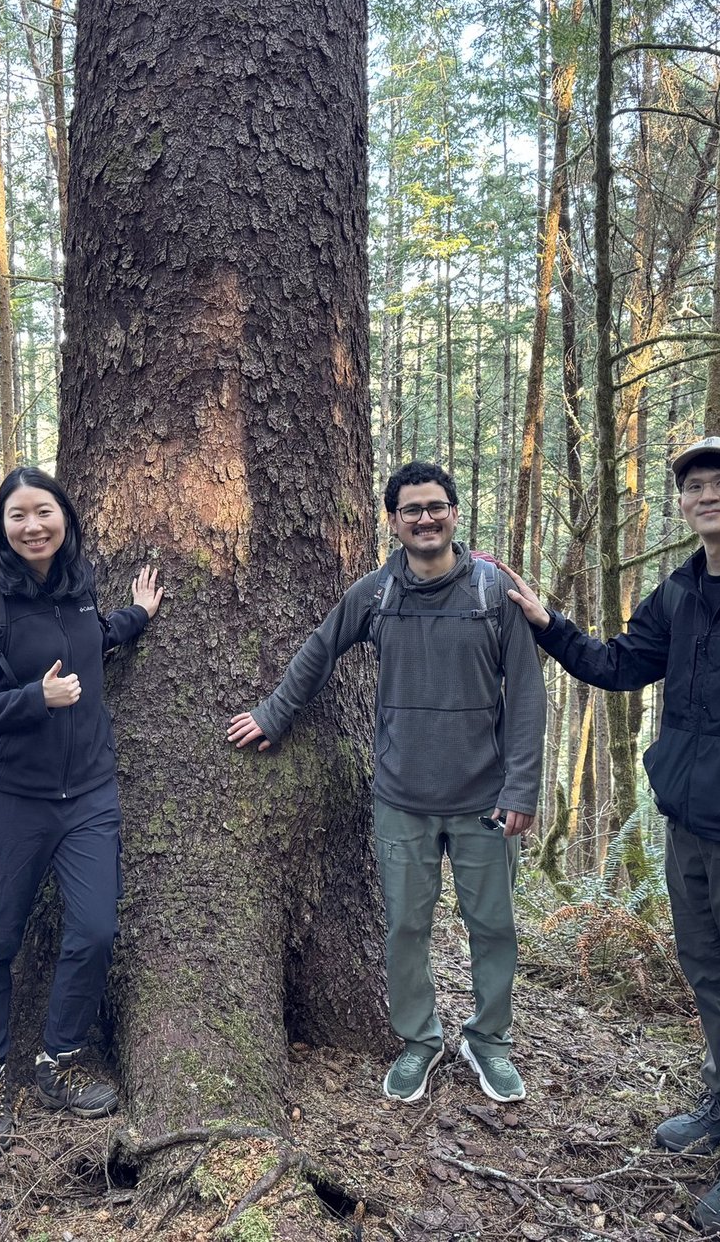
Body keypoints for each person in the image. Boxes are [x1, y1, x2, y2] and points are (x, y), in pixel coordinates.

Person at [506, 436, 720, 1231]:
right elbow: (620, 664)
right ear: (682, 503)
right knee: (710, 981)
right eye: (694, 486)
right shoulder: (680, 593)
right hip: (689, 830)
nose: (707, 495)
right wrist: (546, 622)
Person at [227, 461, 545, 1105]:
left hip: (485, 802)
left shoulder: (494, 596)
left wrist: (521, 789)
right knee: (404, 926)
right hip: (402, 799)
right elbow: (320, 650)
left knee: (493, 926)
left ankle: (489, 1041)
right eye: (411, 510)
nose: (425, 518)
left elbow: (530, 698)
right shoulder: (376, 594)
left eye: (436, 506)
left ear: (455, 512)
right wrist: (272, 715)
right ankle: (419, 1041)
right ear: (394, 522)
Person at [0, 467, 162, 1156]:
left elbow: (90, 641)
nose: (32, 525)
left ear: (63, 517)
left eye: (43, 512)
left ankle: (57, 1060)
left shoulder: (78, 592)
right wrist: (33, 700)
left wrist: (137, 618)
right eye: (17, 516)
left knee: (95, 930)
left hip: (90, 797)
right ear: (1, 528)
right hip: (11, 801)